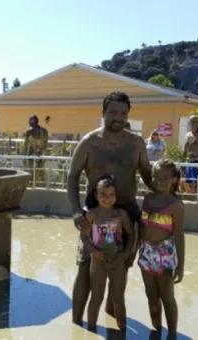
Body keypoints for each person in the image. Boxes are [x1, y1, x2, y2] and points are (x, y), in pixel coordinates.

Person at [67, 91, 153, 325]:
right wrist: (76, 211)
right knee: (86, 267)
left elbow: (148, 175)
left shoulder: (136, 143)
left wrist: (169, 188)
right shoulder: (89, 143)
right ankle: (77, 323)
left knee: (120, 267)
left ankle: (112, 317)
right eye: (113, 112)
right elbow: (72, 176)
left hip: (127, 216)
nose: (119, 117)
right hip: (94, 216)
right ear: (103, 112)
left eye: (123, 113)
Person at [138, 159, 185, 340]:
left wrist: (180, 266)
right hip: (146, 253)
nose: (160, 180)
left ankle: (172, 334)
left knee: (167, 297)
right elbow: (141, 229)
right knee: (151, 296)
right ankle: (156, 330)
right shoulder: (147, 200)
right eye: (156, 176)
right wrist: (133, 252)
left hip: (165, 255)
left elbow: (179, 236)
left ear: (174, 179)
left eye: (165, 177)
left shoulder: (176, 206)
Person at [81, 176, 133, 331]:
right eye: (103, 194)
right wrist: (93, 252)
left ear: (116, 196)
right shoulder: (92, 215)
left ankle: (122, 331)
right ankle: (91, 331)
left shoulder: (121, 214)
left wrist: (125, 254)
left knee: (118, 299)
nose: (107, 198)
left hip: (117, 261)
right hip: (98, 262)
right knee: (96, 297)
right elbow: (84, 236)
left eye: (111, 195)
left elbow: (131, 234)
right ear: (96, 195)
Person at [24, 115, 49, 183]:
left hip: (32, 154)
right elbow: (46, 143)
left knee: (31, 170)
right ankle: (42, 184)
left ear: (33, 121)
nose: (29, 122)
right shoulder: (44, 130)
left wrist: (25, 154)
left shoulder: (29, 131)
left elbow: (26, 144)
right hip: (41, 153)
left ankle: (33, 184)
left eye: (30, 120)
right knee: (41, 170)